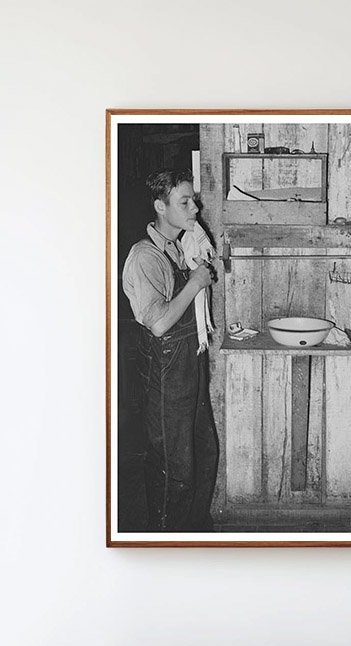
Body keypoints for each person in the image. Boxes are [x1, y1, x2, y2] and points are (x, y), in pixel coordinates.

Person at [122, 168, 222, 532]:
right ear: (160, 207)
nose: (195, 208)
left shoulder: (181, 245)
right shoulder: (144, 258)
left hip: (189, 367)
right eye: (185, 202)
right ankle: (167, 542)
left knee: (203, 453)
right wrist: (196, 282)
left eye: (193, 200)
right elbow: (160, 322)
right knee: (173, 469)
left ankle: (194, 533)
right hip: (166, 378)